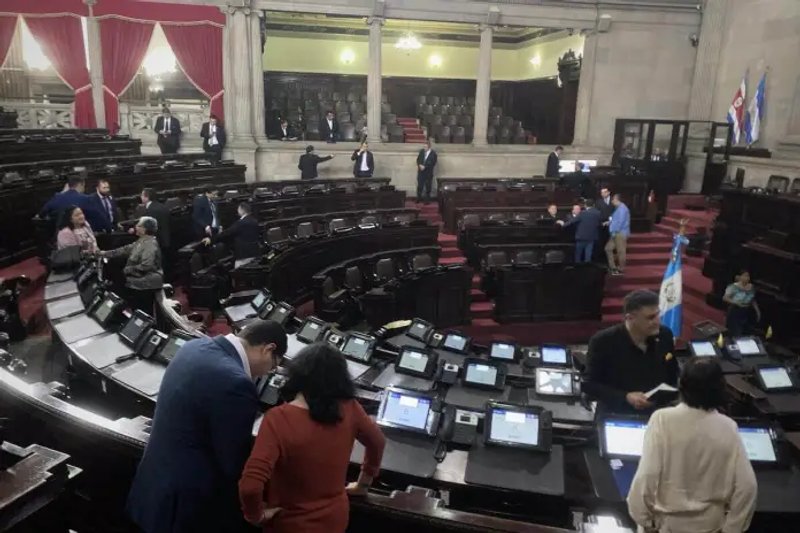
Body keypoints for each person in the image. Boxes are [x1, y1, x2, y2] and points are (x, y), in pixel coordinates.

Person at [127, 320, 288, 533]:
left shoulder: (192, 347)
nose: (266, 373)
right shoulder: (237, 383)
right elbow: (232, 462)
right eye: (273, 366)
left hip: (153, 487)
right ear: (269, 349)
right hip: (187, 508)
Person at [239, 343, 385, 533]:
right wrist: (363, 484)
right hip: (335, 520)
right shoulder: (350, 407)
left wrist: (256, 515)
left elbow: (250, 486)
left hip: (290, 524)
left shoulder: (278, 418)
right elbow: (378, 442)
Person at [627, 358, 757, 533]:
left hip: (667, 524)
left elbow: (647, 476)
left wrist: (644, 520)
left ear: (681, 384)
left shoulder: (662, 419)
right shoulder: (728, 426)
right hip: (711, 525)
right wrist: (732, 528)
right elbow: (747, 487)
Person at [583, 289, 678, 415]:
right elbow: (590, 384)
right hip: (616, 413)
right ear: (630, 318)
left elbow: (672, 372)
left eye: (657, 315)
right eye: (650, 317)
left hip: (657, 412)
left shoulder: (665, 335)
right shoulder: (603, 341)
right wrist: (626, 397)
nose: (657, 322)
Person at [99, 216, 163, 314]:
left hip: (146, 284)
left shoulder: (150, 245)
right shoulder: (141, 241)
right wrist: (103, 253)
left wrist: (128, 270)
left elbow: (146, 266)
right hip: (137, 281)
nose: (136, 227)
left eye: (138, 225)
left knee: (143, 311)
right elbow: (123, 250)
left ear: (144, 229)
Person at [203, 202, 261, 268]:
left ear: (241, 210)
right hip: (254, 253)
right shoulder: (254, 221)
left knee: (239, 273)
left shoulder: (241, 223)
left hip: (243, 255)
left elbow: (227, 233)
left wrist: (211, 239)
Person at [557, 198, 602, 263]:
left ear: (585, 205)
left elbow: (572, 221)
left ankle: (578, 269)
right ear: (594, 205)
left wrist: (563, 224)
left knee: (578, 254)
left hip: (581, 237)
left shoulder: (582, 213)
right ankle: (587, 268)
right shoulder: (598, 213)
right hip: (592, 237)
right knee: (588, 254)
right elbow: (599, 224)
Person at [723, 269, 761, 337]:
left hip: (746, 312)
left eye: (748, 276)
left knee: (745, 333)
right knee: (735, 332)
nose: (746, 278)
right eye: (744, 276)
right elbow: (725, 298)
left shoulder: (751, 287)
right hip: (735, 311)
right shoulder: (733, 287)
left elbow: (753, 300)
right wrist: (736, 303)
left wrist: (757, 311)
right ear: (739, 277)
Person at [605, 193, 630, 276]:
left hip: (620, 233)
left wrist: (614, 232)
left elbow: (620, 222)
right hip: (615, 233)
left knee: (621, 251)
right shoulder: (618, 208)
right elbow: (615, 220)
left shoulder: (623, 209)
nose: (612, 201)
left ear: (617, 199)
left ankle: (621, 269)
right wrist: (609, 222)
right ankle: (613, 267)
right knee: (608, 248)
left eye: (613, 199)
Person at [415, 139, 438, 203]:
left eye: (425, 147)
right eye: (424, 147)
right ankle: (418, 198)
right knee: (420, 186)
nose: (424, 148)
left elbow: (433, 163)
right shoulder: (421, 151)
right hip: (421, 172)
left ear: (429, 147)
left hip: (428, 172)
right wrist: (419, 165)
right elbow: (418, 160)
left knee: (428, 186)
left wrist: (425, 167)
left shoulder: (433, 153)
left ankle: (427, 200)